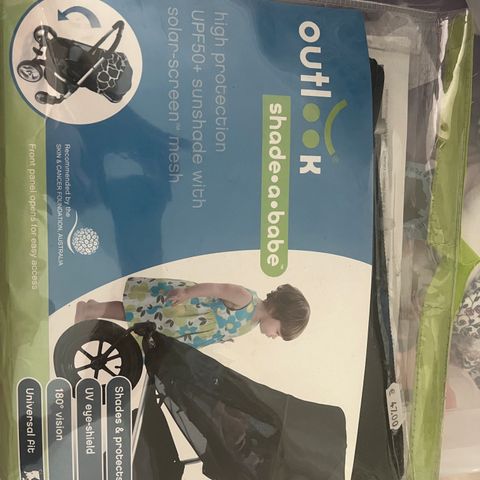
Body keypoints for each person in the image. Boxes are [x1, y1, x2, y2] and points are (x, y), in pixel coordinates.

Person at [75, 278, 310, 348]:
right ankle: (91, 309)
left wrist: (223, 336)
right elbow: (218, 288)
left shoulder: (252, 322)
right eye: (278, 332)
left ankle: (94, 308)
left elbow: (227, 324)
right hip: (183, 311)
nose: (273, 336)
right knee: (137, 313)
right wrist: (187, 292)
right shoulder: (246, 299)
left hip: (184, 328)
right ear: (277, 311)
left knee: (141, 321)